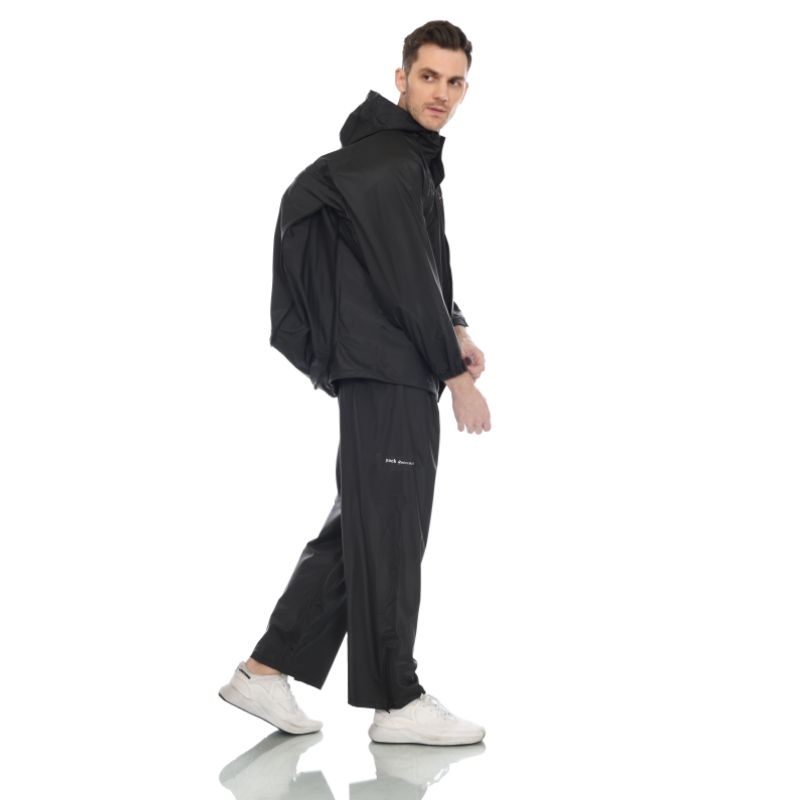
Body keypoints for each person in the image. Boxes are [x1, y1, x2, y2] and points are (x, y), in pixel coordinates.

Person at [219, 20, 491, 747]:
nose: (441, 93)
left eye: (455, 81)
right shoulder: (389, 164)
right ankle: (395, 699)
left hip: (385, 367)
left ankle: (265, 669)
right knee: (391, 531)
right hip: (389, 369)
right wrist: (455, 376)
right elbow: (407, 279)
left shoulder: (401, 160)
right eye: (428, 77)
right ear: (400, 78)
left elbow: (427, 266)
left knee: (364, 528)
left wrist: (457, 326)